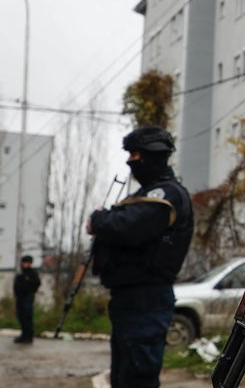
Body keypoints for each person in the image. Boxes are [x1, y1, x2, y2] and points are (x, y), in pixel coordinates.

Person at [89, 126, 194, 388]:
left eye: (135, 155)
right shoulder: (144, 193)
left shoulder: (167, 193)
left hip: (147, 297)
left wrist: (98, 220)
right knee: (123, 377)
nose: (130, 161)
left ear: (153, 155)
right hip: (128, 297)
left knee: (138, 377)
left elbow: (128, 226)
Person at [12, 254, 41, 344]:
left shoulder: (32, 273)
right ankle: (23, 335)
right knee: (21, 317)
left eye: (27, 263)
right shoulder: (20, 273)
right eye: (24, 263)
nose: (26, 264)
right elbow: (16, 285)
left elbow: (36, 283)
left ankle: (29, 336)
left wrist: (28, 285)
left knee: (28, 317)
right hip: (20, 297)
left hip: (28, 297)